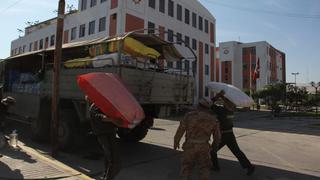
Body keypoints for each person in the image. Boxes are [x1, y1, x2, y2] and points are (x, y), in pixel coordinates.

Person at [210, 90, 255, 176]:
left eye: (225, 102)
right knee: (237, 152)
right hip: (230, 134)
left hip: (222, 135)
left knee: (212, 150)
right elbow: (228, 103)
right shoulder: (231, 111)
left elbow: (209, 104)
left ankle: (215, 167)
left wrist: (218, 96)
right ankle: (249, 166)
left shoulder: (222, 111)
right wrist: (223, 97)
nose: (224, 103)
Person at [174, 98, 221, 180]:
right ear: (208, 108)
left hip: (190, 146)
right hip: (204, 146)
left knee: (186, 166)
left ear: (199, 106)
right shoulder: (213, 119)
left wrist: (176, 141)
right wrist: (215, 147)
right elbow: (217, 136)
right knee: (204, 168)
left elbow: (181, 129)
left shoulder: (189, 116)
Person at [88, 100, 121, 180]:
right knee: (109, 155)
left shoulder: (105, 105)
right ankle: (107, 176)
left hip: (110, 132)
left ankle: (107, 175)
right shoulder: (93, 108)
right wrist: (113, 120)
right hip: (102, 133)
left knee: (112, 156)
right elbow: (101, 117)